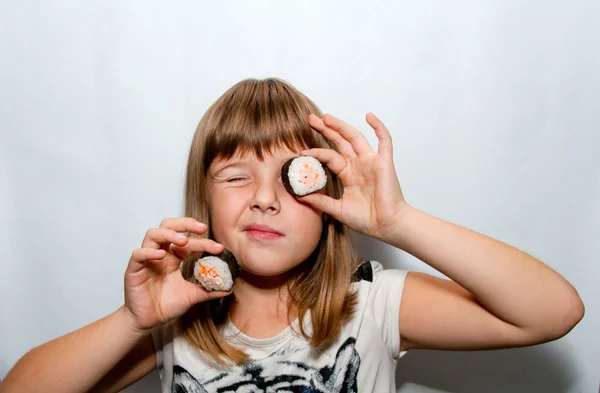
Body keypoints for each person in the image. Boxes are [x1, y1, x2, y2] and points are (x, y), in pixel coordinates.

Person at [0, 78, 584, 393]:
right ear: (204, 200)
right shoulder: (174, 319)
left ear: (329, 203)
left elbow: (552, 312)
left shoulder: (371, 307)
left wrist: (397, 222)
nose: (264, 197)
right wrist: (133, 321)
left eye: (289, 177)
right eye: (235, 176)